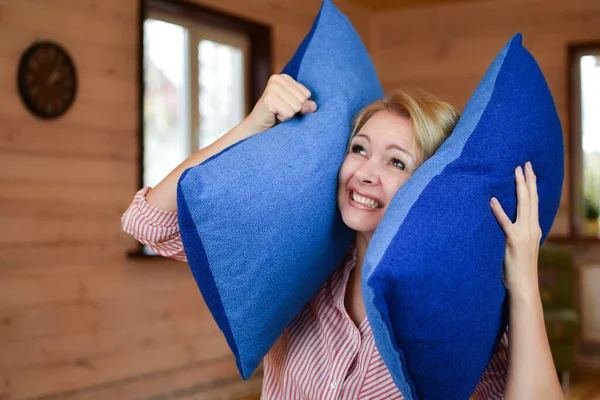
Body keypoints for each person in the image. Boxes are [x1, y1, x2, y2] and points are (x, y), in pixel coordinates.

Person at [122, 74, 564, 399]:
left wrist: (523, 281)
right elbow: (148, 222)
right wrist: (250, 126)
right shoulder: (303, 268)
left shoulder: (446, 314)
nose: (365, 174)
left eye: (396, 163)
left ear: (430, 188)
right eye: (359, 149)